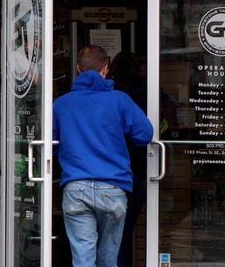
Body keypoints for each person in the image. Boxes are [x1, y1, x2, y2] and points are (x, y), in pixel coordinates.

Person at [52, 45, 153, 267]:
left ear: (78, 69)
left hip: (76, 188)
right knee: (109, 258)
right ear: (105, 68)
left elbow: (50, 146)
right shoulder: (120, 100)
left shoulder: (61, 104)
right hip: (113, 188)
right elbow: (144, 135)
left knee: (83, 258)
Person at [107, 51, 148, 267]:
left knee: (110, 240)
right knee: (122, 238)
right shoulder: (145, 91)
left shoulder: (107, 94)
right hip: (137, 171)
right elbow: (156, 128)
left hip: (109, 173)